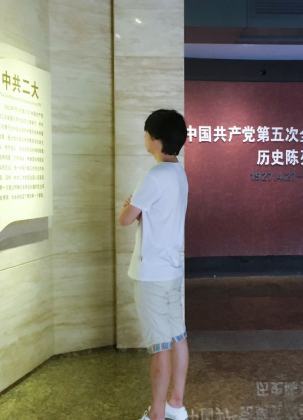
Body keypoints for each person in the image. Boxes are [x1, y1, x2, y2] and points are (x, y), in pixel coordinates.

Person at [118, 109, 190, 420]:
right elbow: (155, 215)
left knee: (159, 345)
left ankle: (157, 414)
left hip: (152, 275)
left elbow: (125, 218)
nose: (145, 138)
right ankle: (176, 404)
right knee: (178, 336)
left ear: (156, 139)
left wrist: (130, 206)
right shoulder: (178, 173)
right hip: (171, 270)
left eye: (147, 133)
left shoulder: (154, 175)